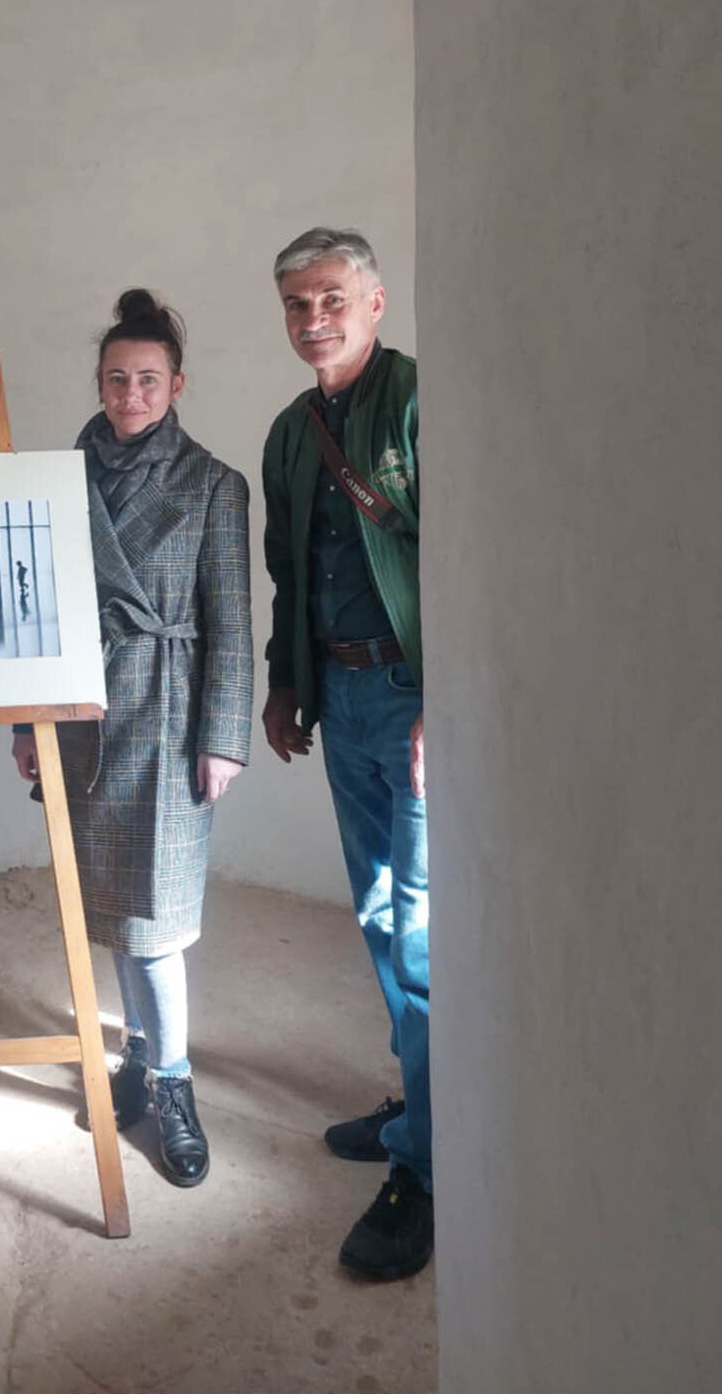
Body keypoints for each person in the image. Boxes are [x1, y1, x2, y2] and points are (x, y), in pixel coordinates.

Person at [11, 289, 252, 1188]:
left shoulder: (214, 484)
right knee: (109, 905)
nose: (131, 395)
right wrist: (27, 720)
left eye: (148, 379)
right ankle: (140, 1055)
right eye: (117, 379)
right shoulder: (62, 477)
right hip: (84, 712)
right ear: (99, 382)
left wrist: (223, 737)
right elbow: (36, 606)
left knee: (155, 920)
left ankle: (174, 1083)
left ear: (176, 385)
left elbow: (232, 622)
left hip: (167, 712)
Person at [261, 226, 431, 1281]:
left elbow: (466, 547)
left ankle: (428, 1168)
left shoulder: (417, 398)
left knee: (422, 929)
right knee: (377, 909)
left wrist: (448, 700)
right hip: (341, 691)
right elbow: (288, 569)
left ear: (373, 301)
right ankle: (424, 1106)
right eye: (296, 303)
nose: (313, 318)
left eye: (331, 298)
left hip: (413, 695)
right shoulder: (293, 431)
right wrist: (287, 682)